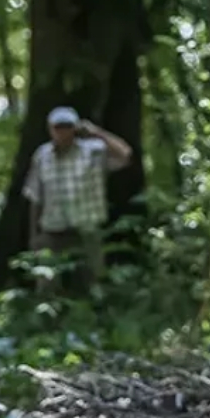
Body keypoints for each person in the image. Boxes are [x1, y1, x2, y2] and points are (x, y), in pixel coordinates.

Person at [21, 106, 133, 292]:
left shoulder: (93, 152)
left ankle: (90, 318)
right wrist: (35, 237)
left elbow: (125, 155)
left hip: (86, 228)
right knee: (48, 285)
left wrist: (96, 132)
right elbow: (35, 197)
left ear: (75, 128)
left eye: (67, 126)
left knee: (91, 283)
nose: (62, 132)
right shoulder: (42, 156)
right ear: (51, 129)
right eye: (58, 127)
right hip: (52, 231)